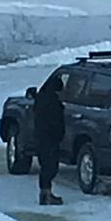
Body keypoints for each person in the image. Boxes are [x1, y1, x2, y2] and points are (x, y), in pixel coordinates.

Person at [33, 74, 65, 206]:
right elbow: (55, 121)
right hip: (50, 138)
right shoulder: (52, 102)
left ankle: (45, 193)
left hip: (40, 137)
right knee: (50, 166)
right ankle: (46, 194)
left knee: (45, 165)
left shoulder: (41, 99)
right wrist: (58, 134)